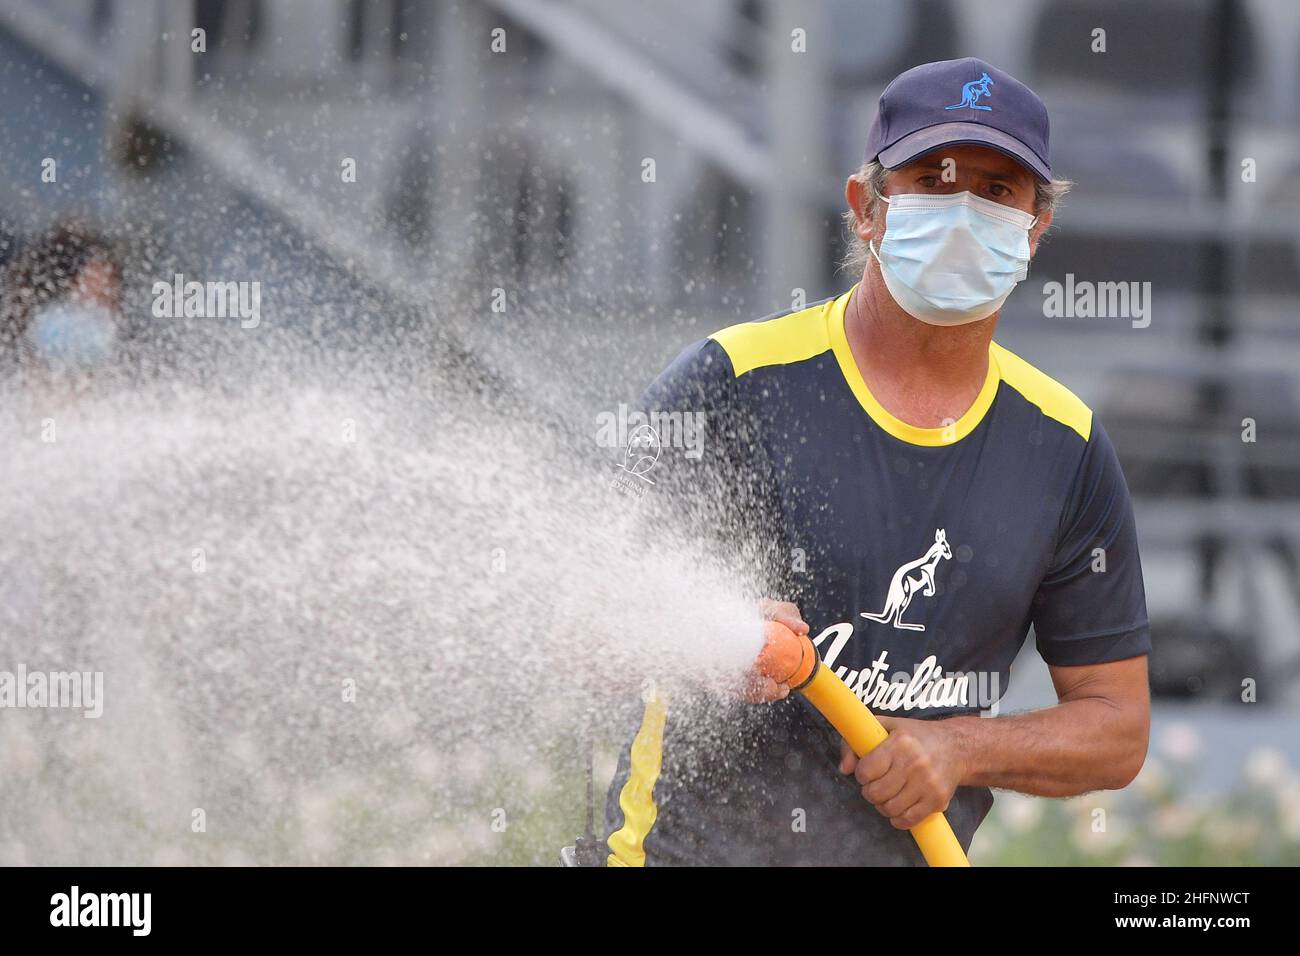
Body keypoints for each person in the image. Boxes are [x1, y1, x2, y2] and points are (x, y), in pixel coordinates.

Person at [604, 58, 1151, 866]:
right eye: (933, 180)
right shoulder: (731, 382)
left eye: (998, 192)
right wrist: (706, 641)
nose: (965, 211)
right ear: (867, 208)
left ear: (1035, 231)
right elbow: (594, 595)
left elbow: (1116, 727)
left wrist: (960, 748)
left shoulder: (1063, 445)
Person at [1, 221, 125, 385]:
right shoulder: (59, 323)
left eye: (109, 276)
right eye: (96, 275)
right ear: (76, 279)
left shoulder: (119, 321)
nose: (104, 283)